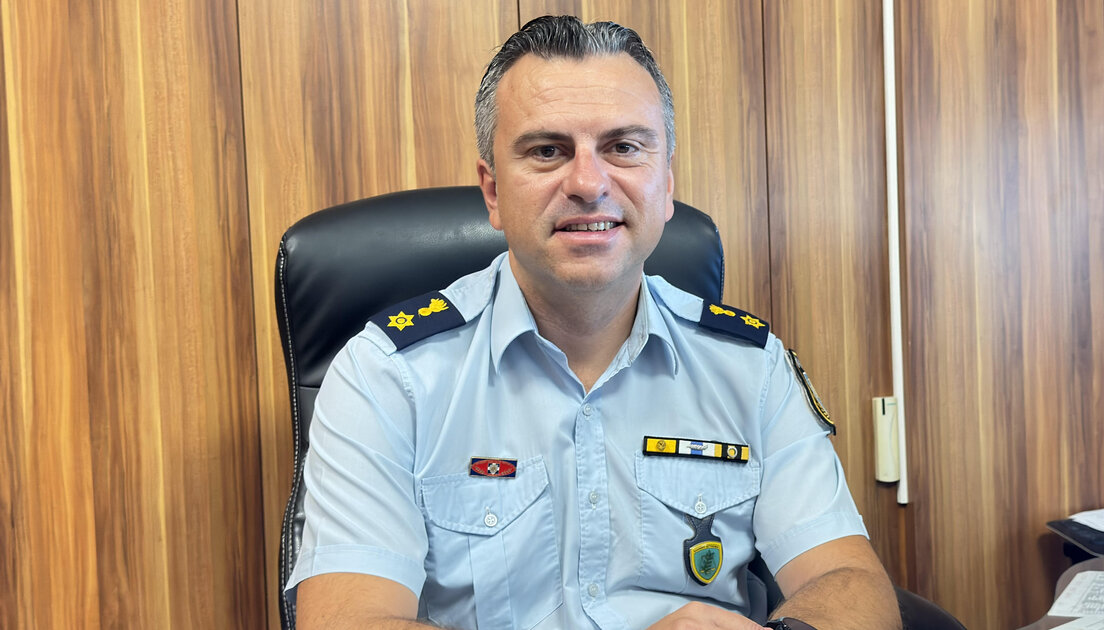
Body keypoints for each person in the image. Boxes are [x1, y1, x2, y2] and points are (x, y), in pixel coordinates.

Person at [286, 15, 901, 630]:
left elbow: (850, 582)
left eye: (624, 147)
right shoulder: (387, 377)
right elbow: (348, 621)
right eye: (547, 151)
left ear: (666, 183)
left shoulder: (750, 367)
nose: (587, 183)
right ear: (493, 191)